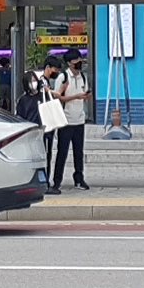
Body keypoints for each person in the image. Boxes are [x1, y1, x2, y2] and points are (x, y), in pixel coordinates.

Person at [51, 53, 91, 191]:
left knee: (78, 152)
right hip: (66, 120)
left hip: (79, 119)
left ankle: (79, 179)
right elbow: (58, 97)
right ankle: (57, 181)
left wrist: (86, 96)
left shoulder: (83, 77)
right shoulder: (63, 77)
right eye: (75, 60)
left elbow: (84, 94)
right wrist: (75, 96)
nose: (79, 62)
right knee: (62, 152)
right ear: (69, 63)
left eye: (80, 59)